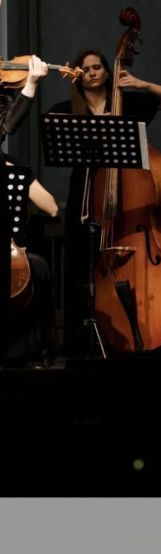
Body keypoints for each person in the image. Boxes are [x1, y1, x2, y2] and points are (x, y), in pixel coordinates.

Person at [48, 49, 161, 355]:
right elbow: (51, 130)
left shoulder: (127, 102)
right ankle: (82, 334)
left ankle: (127, 330)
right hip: (85, 191)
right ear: (77, 75)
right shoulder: (67, 109)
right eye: (86, 69)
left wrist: (141, 83)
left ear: (107, 71)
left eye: (97, 67)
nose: (92, 72)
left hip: (125, 193)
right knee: (81, 261)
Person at [2, 56, 59, 366]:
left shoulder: (10, 164)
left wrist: (21, 178)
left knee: (38, 266)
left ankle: (35, 351)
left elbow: (51, 207)